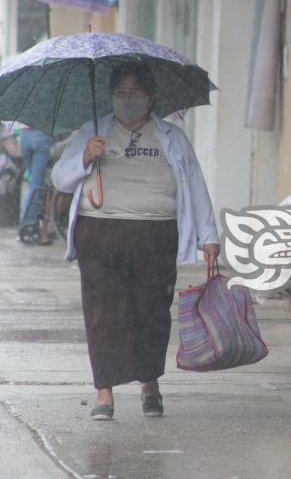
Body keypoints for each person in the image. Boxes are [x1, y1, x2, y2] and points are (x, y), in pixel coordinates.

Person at [51, 62, 220, 421]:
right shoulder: (92, 131)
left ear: (151, 98)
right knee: (103, 314)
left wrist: (209, 236)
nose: (126, 101)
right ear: (110, 96)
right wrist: (84, 157)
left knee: (152, 312)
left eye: (135, 94)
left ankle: (150, 383)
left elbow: (194, 184)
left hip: (155, 236)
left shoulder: (172, 137)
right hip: (99, 234)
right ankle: (104, 393)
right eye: (120, 93)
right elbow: (59, 178)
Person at [19, 127, 54, 244]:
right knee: (37, 186)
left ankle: (30, 223)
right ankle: (29, 223)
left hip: (24, 136)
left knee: (33, 184)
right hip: (42, 136)